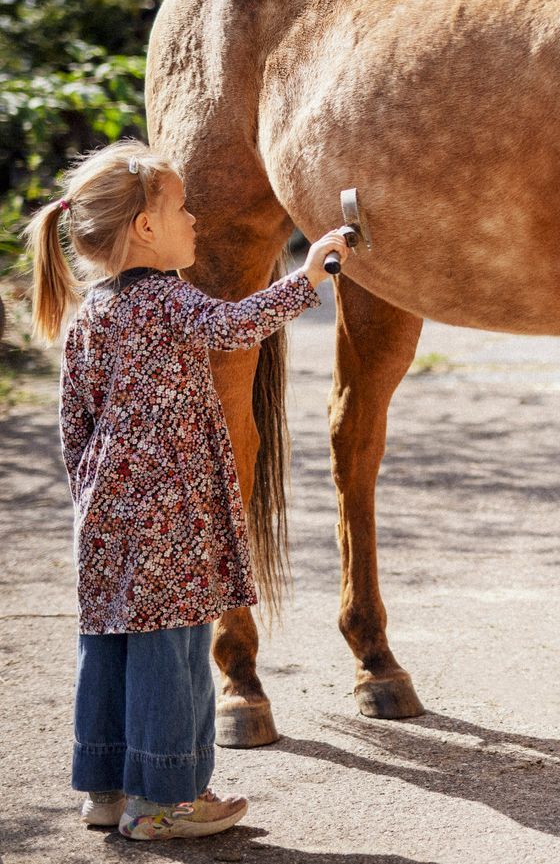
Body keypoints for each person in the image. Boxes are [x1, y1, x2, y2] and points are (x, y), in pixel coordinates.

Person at [24, 139, 353, 840]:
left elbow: (74, 423)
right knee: (173, 650)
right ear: (145, 227)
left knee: (111, 643)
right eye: (180, 207)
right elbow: (236, 326)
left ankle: (108, 789)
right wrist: (309, 273)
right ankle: (166, 800)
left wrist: (94, 499)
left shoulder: (91, 313)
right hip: (170, 516)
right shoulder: (166, 298)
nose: (194, 219)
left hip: (105, 512)